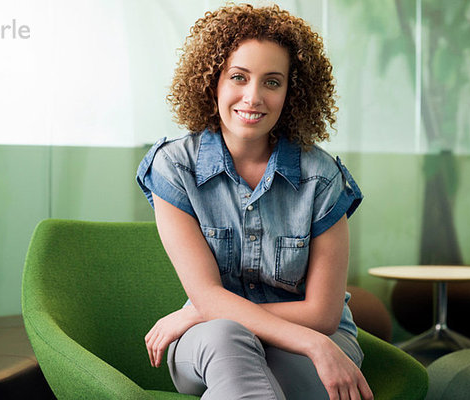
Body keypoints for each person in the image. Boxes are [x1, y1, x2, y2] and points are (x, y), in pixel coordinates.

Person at [136, 4, 373, 400]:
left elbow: (323, 314)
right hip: (210, 340)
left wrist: (198, 309)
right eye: (238, 77)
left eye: (272, 82)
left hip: (315, 338)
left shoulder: (322, 176)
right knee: (227, 336)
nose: (253, 97)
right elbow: (209, 298)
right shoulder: (174, 167)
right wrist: (207, 311)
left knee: (239, 381)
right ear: (212, 81)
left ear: (291, 92)